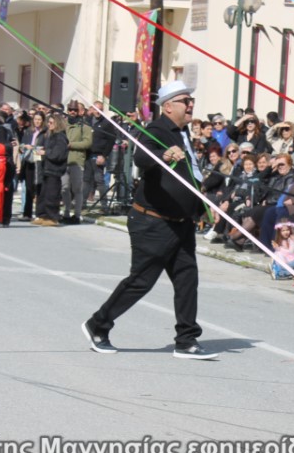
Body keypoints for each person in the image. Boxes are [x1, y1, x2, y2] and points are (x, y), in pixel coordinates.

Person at [83, 81, 217, 360]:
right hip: (153, 222)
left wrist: (202, 206)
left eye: (191, 100)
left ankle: (186, 340)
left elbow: (189, 177)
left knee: (187, 279)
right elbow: (142, 158)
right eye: (185, 100)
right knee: (141, 281)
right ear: (168, 106)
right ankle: (98, 324)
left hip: (181, 222)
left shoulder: (182, 133)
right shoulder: (156, 130)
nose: (190, 105)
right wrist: (163, 155)